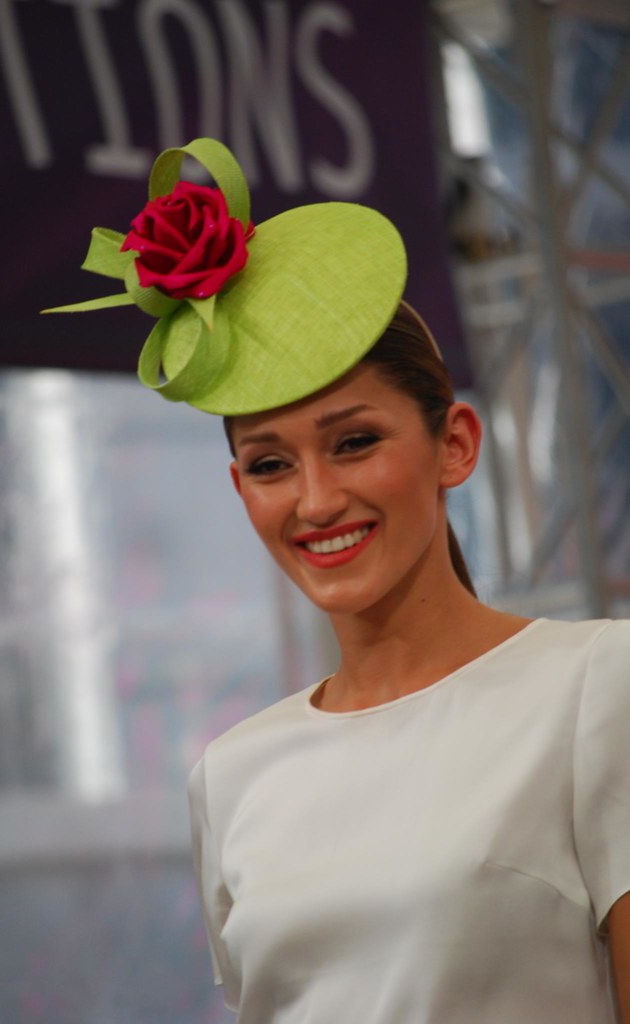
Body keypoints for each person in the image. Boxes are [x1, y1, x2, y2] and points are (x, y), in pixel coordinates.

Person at [47, 138, 630, 1023]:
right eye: (272, 463)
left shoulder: (598, 688)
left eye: (354, 442)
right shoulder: (232, 776)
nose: (316, 501)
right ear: (241, 490)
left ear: (456, 443)